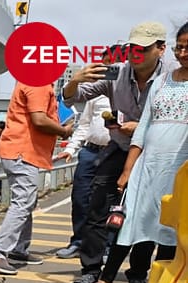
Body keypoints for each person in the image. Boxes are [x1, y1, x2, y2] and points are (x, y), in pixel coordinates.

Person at [76, 21, 188, 283]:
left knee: (167, 228)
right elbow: (144, 127)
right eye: (182, 47)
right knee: (128, 223)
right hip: (146, 163)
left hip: (180, 168)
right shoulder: (163, 82)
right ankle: (104, 281)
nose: (184, 53)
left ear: (159, 50)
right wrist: (128, 169)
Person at [0, 81, 73, 275]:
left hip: (20, 151)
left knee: (26, 202)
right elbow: (39, 119)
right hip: (23, 152)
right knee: (23, 202)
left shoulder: (32, 80)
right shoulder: (37, 83)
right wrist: (64, 131)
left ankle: (19, 249)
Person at [53, 49, 116, 259]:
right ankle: (79, 241)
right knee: (80, 199)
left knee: (109, 203)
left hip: (115, 153)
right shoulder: (96, 92)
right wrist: (71, 148)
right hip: (90, 152)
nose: (109, 69)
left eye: (114, 65)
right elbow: (84, 124)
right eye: (105, 64)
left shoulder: (130, 93)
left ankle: (106, 246)